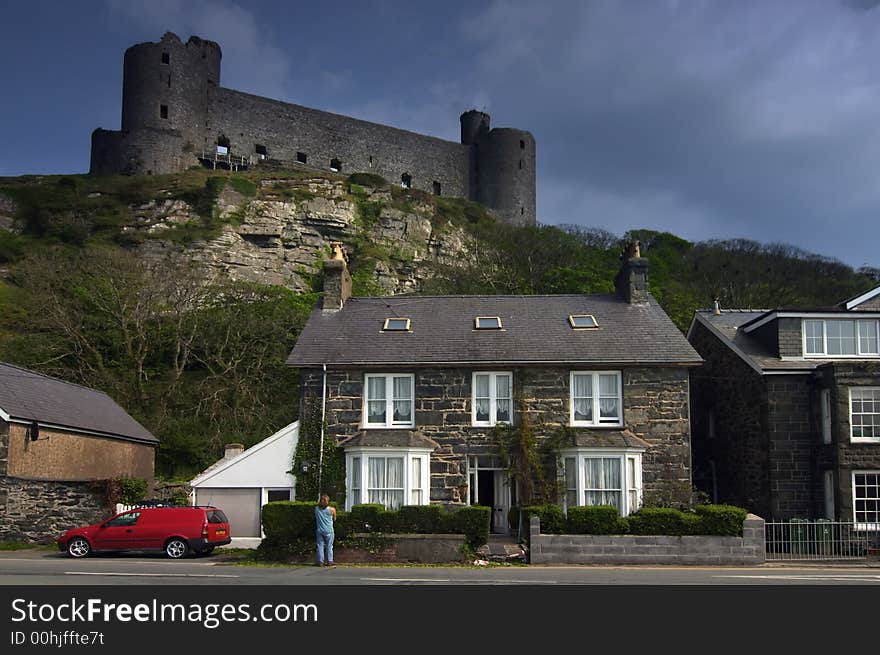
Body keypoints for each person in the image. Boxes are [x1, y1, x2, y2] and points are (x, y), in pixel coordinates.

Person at [315, 494, 336, 567]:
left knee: (320, 546)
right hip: (329, 530)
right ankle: (330, 561)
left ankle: (320, 561)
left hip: (320, 530)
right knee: (329, 546)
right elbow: (334, 519)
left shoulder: (317, 509)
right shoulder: (332, 509)